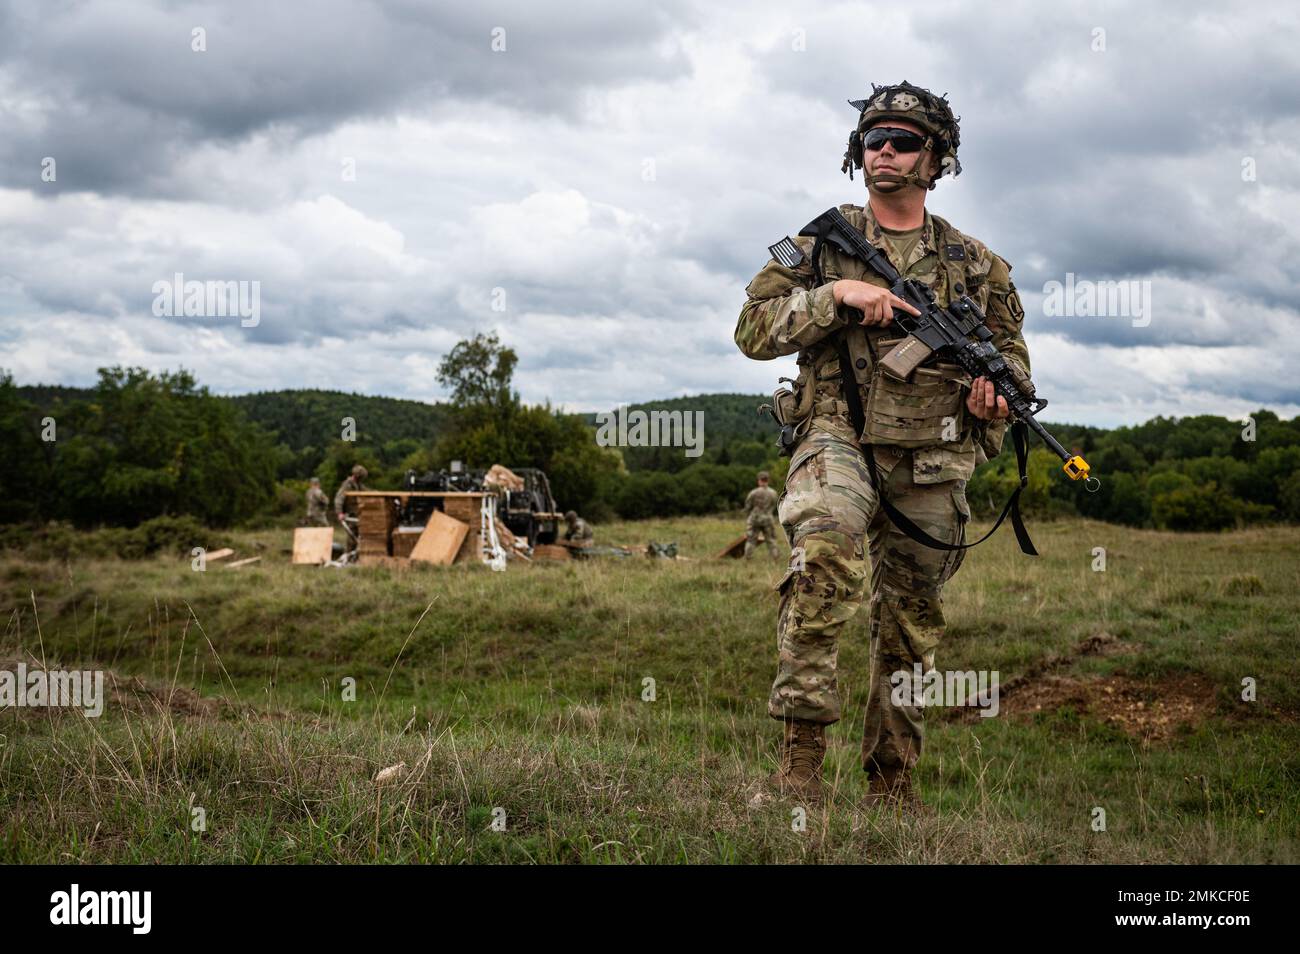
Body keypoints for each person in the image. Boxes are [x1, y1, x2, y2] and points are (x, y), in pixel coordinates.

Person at [734, 82, 1031, 809]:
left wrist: (995, 396)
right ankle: (801, 761)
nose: (886, 152)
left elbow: (1014, 362)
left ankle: (892, 779)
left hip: (932, 453)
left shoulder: (976, 264)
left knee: (911, 620)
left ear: (938, 158)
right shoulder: (819, 243)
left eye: (904, 141)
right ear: (856, 154)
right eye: (874, 141)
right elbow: (751, 330)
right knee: (825, 552)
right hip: (837, 432)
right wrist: (834, 298)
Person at [743, 472, 780, 558]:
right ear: (768, 480)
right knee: (771, 539)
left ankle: (747, 558)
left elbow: (747, 506)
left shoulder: (753, 492)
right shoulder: (773, 493)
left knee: (751, 540)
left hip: (755, 518)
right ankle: (775, 558)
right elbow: (775, 505)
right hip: (768, 519)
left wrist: (749, 514)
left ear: (759, 480)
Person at [334, 465, 368, 546]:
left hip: (356, 513)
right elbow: (338, 499)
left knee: (357, 536)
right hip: (350, 514)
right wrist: (339, 513)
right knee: (352, 538)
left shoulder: (358, 484)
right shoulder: (347, 485)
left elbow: (366, 491)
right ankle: (349, 554)